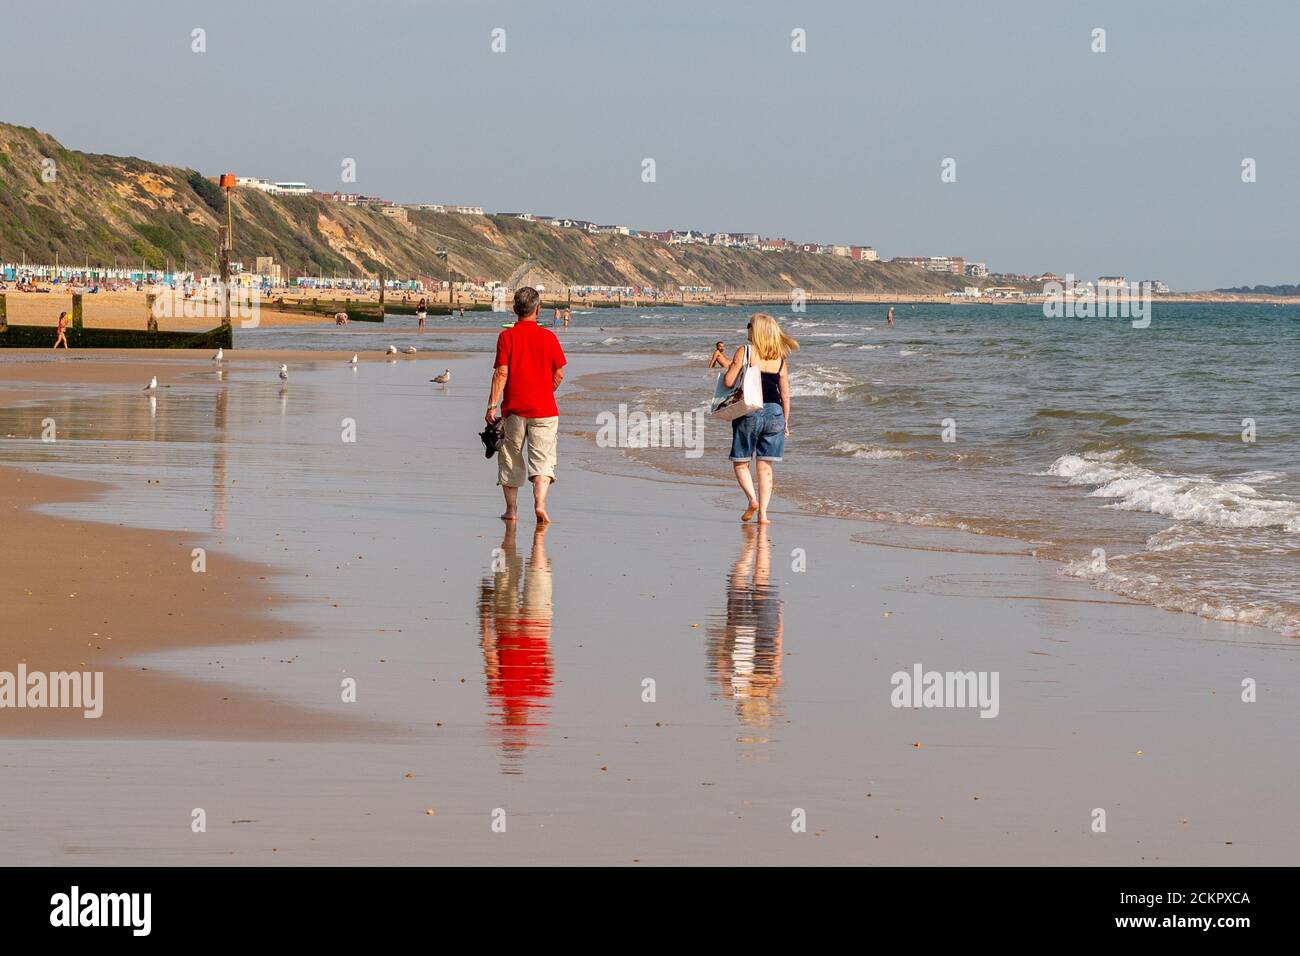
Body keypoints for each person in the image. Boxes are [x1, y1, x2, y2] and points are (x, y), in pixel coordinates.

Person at [485, 286, 567, 523]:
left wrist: (492, 406)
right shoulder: (549, 337)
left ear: (514, 310)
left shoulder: (506, 337)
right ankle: (540, 504)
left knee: (510, 457)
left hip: (514, 409)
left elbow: (501, 373)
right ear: (538, 309)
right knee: (542, 460)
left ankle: (511, 510)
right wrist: (545, 390)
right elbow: (559, 373)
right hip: (545, 410)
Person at [721, 313, 797, 524]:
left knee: (741, 462)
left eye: (749, 325)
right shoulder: (780, 359)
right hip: (775, 413)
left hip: (750, 410)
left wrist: (730, 367)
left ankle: (752, 500)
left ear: (756, 331)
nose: (747, 328)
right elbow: (786, 395)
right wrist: (786, 422)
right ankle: (763, 514)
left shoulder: (745, 351)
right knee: (765, 467)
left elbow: (728, 382)